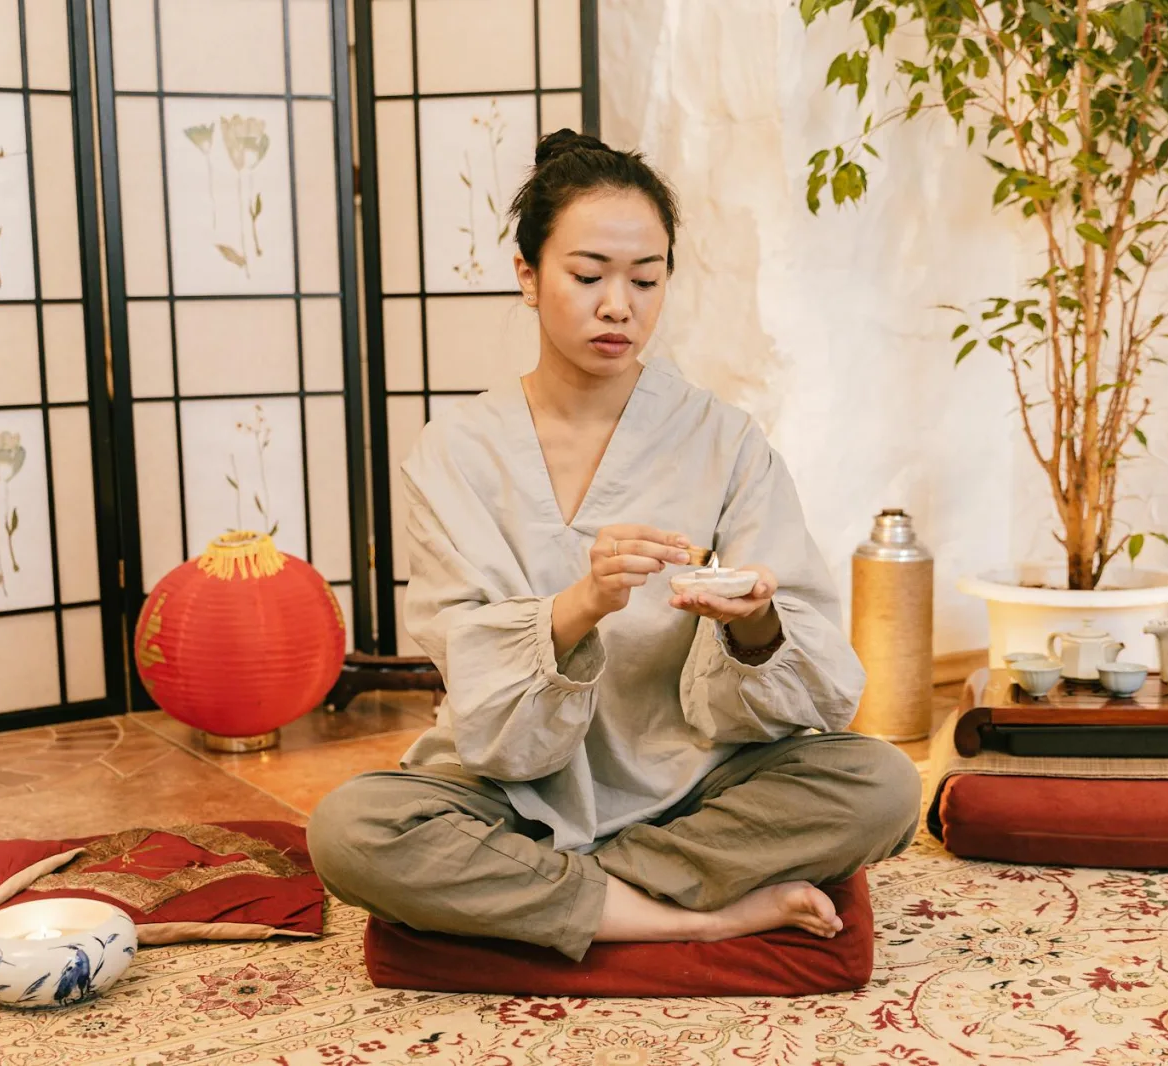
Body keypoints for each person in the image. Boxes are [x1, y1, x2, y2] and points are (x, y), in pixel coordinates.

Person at [308, 129, 921, 962]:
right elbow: (478, 690)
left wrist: (754, 623)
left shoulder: (724, 440)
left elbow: (805, 677)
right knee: (352, 830)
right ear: (527, 274)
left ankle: (562, 894)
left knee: (881, 786)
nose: (618, 306)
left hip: (698, 784)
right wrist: (580, 605)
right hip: (508, 788)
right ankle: (691, 917)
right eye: (588, 275)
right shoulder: (455, 452)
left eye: (646, 278)